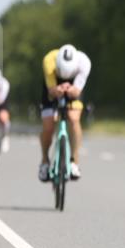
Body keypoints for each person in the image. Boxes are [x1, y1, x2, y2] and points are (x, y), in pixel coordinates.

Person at [38, 44, 91, 182]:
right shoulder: (49, 61)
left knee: (74, 119)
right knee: (48, 125)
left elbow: (77, 92)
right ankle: (44, 161)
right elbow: (51, 91)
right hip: (53, 84)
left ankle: (74, 161)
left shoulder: (84, 63)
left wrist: (70, 89)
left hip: (74, 85)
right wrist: (57, 90)